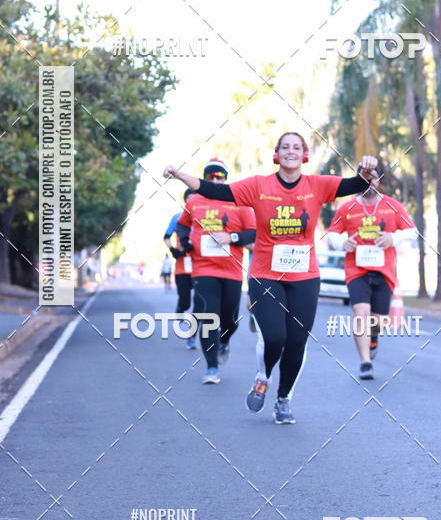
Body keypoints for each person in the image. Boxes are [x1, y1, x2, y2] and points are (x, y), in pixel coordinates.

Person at [163, 133, 377, 423]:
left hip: (304, 276)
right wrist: (178, 174)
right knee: (275, 337)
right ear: (277, 154)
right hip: (266, 275)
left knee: (297, 342)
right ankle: (263, 376)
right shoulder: (258, 185)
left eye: (296, 147)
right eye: (285, 147)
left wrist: (365, 172)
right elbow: (216, 192)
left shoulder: (317, 185)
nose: (291, 151)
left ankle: (283, 398)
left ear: (304, 154)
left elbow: (354, 184)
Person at [328, 165, 416, 380]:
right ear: (359, 180)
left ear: (379, 180)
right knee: (360, 313)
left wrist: (392, 238)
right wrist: (342, 242)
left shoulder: (392, 206)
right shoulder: (347, 208)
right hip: (356, 270)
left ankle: (374, 336)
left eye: (373, 178)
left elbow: (412, 232)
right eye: (365, 178)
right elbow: (332, 234)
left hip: (384, 271)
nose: (369, 182)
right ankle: (365, 362)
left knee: (379, 321)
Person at [176, 159, 256, 384]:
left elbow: (252, 234)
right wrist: (185, 241)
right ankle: (211, 367)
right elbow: (182, 224)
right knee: (207, 316)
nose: (215, 179)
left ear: (225, 179)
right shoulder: (194, 201)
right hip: (203, 268)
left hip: (231, 270)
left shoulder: (239, 202)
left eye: (219, 176)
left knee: (229, 320)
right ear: (205, 177)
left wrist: (231, 237)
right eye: (210, 176)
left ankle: (225, 341)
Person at [164, 190, 196, 347]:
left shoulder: (207, 217)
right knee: (185, 302)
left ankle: (192, 337)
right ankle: (180, 307)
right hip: (182, 266)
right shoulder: (177, 217)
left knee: (200, 303)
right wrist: (173, 251)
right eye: (190, 200)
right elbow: (166, 236)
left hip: (201, 267)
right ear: (185, 202)